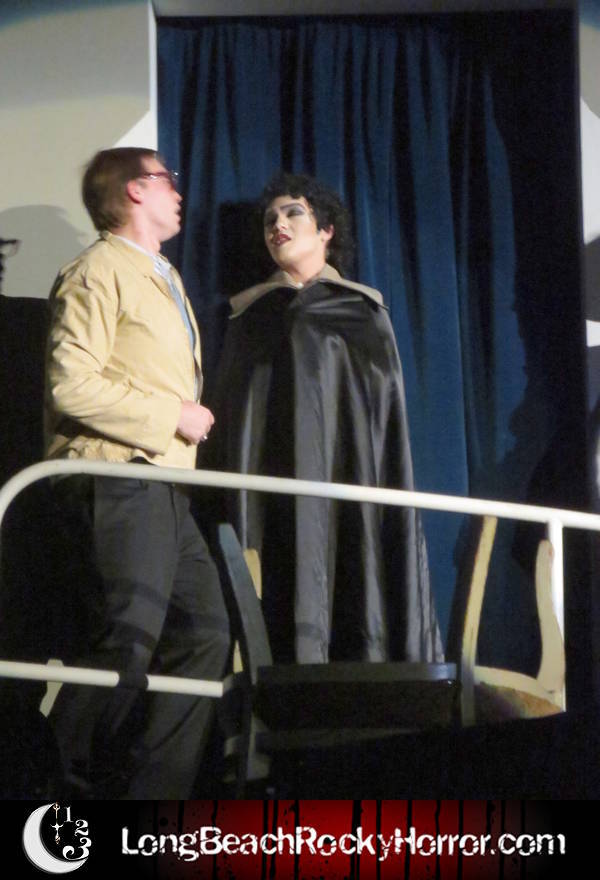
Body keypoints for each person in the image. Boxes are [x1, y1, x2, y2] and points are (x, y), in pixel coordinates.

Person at [44, 147, 231, 799]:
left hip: (167, 487)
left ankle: (150, 800)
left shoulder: (163, 275)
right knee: (125, 640)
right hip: (120, 477)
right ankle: (49, 788)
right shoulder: (98, 270)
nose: (178, 191)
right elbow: (71, 385)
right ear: (133, 190)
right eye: (166, 179)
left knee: (205, 634)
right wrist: (171, 415)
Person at [207, 171, 443, 665]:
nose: (278, 225)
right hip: (271, 492)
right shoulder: (248, 318)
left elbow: (382, 425)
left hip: (346, 489)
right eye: (270, 219)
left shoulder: (363, 313)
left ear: (326, 230)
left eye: (293, 213)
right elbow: (237, 419)